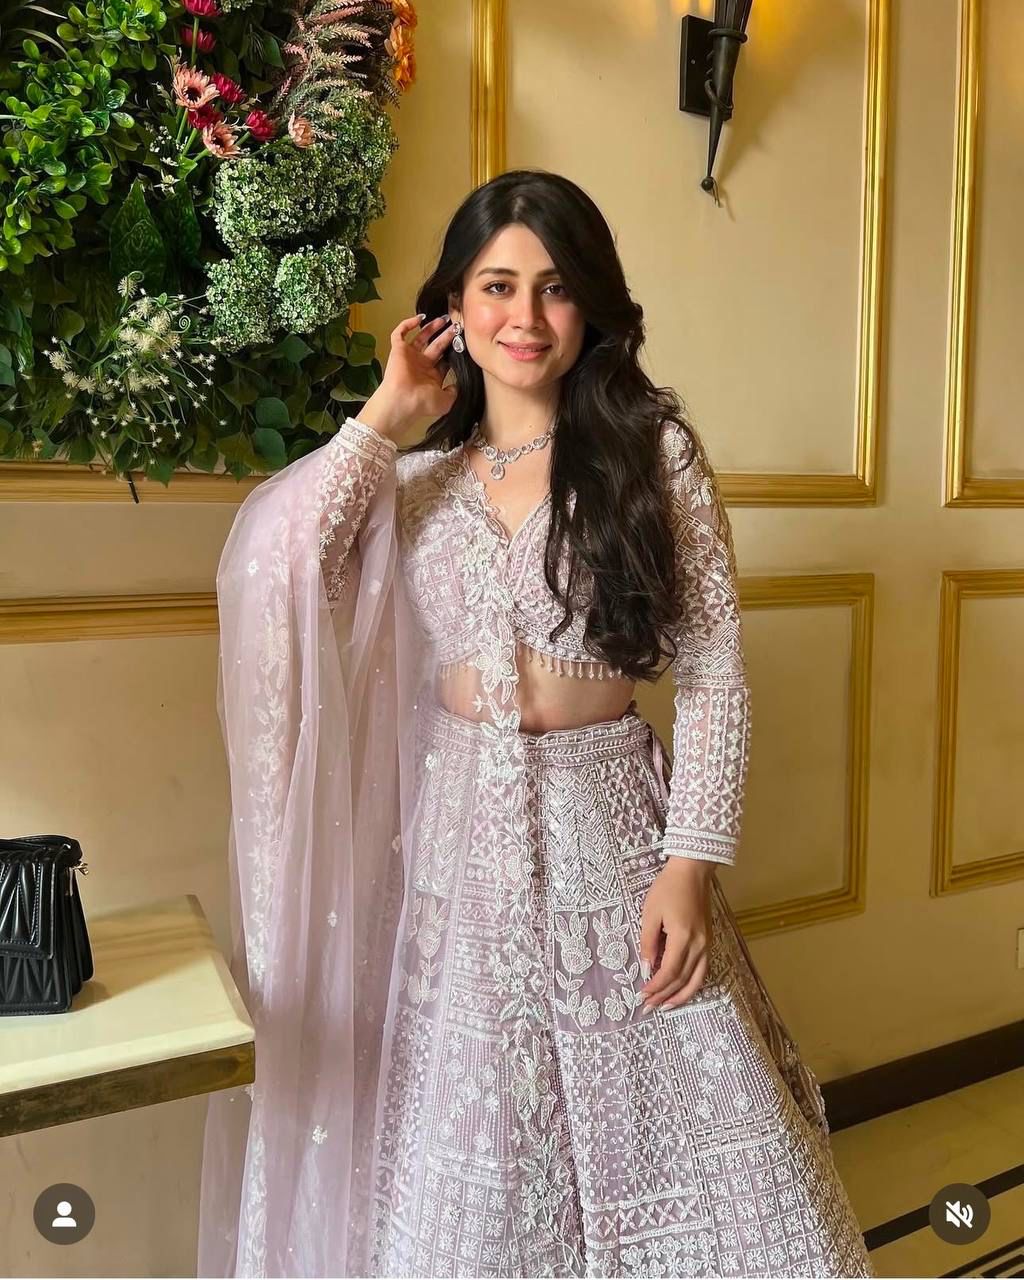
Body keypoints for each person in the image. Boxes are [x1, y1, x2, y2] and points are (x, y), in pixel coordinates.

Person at [197, 168, 875, 1278]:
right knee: (477, 1134)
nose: (525, 316)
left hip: (613, 828)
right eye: (497, 286)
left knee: (694, 1121)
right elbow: (287, 569)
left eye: (554, 288)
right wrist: (387, 413)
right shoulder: (416, 480)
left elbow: (713, 670)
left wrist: (689, 865)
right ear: (452, 308)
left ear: (590, 305)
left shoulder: (651, 455)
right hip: (458, 847)